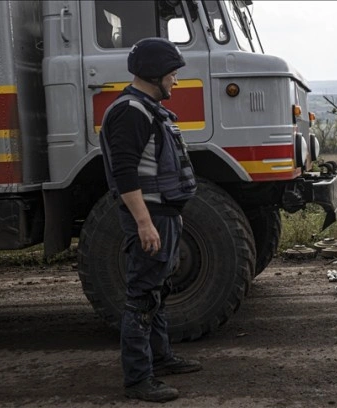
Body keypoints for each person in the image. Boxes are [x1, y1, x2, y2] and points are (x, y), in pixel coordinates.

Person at [98, 37, 201, 403]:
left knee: (158, 290)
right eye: (172, 74)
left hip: (163, 214)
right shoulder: (131, 112)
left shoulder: (146, 109)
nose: (176, 81)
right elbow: (125, 174)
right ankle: (139, 379)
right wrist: (145, 222)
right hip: (151, 216)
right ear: (156, 74)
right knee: (141, 297)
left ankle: (161, 358)